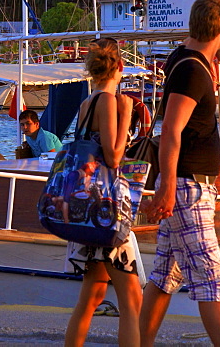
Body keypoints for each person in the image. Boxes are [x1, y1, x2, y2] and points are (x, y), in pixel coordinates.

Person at [140, 0, 220, 347]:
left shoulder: (187, 59)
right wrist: (166, 184)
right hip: (187, 186)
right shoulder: (194, 71)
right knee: (212, 276)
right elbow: (171, 129)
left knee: (167, 272)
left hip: (188, 184)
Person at [65, 37, 141, 347]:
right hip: (106, 214)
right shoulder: (109, 102)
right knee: (132, 301)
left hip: (87, 212)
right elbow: (112, 156)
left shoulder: (86, 104)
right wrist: (126, 115)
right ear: (119, 67)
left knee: (93, 294)